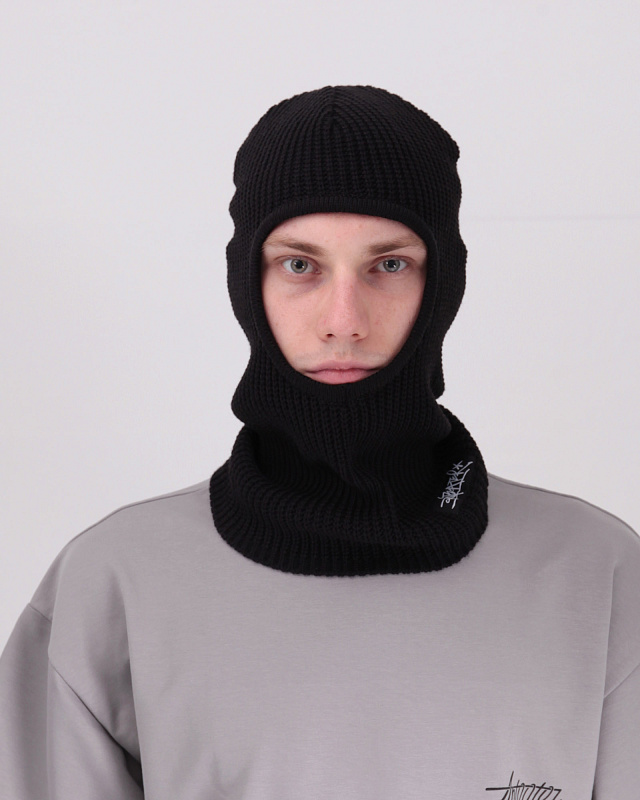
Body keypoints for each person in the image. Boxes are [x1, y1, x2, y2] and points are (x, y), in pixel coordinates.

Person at [1, 85, 638, 799]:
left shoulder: (600, 578)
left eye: (388, 264)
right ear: (247, 282)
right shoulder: (113, 585)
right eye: (300, 265)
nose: (344, 319)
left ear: (443, 284)